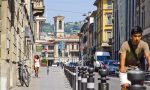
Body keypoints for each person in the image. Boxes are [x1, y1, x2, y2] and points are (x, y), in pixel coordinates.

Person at [119, 26, 150, 90]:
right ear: (131, 36)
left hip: (138, 69)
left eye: (139, 36)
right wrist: (122, 67)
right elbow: (122, 57)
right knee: (125, 86)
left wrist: (149, 65)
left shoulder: (144, 44)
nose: (137, 38)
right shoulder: (125, 45)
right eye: (135, 36)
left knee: (139, 87)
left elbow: (147, 55)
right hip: (126, 68)